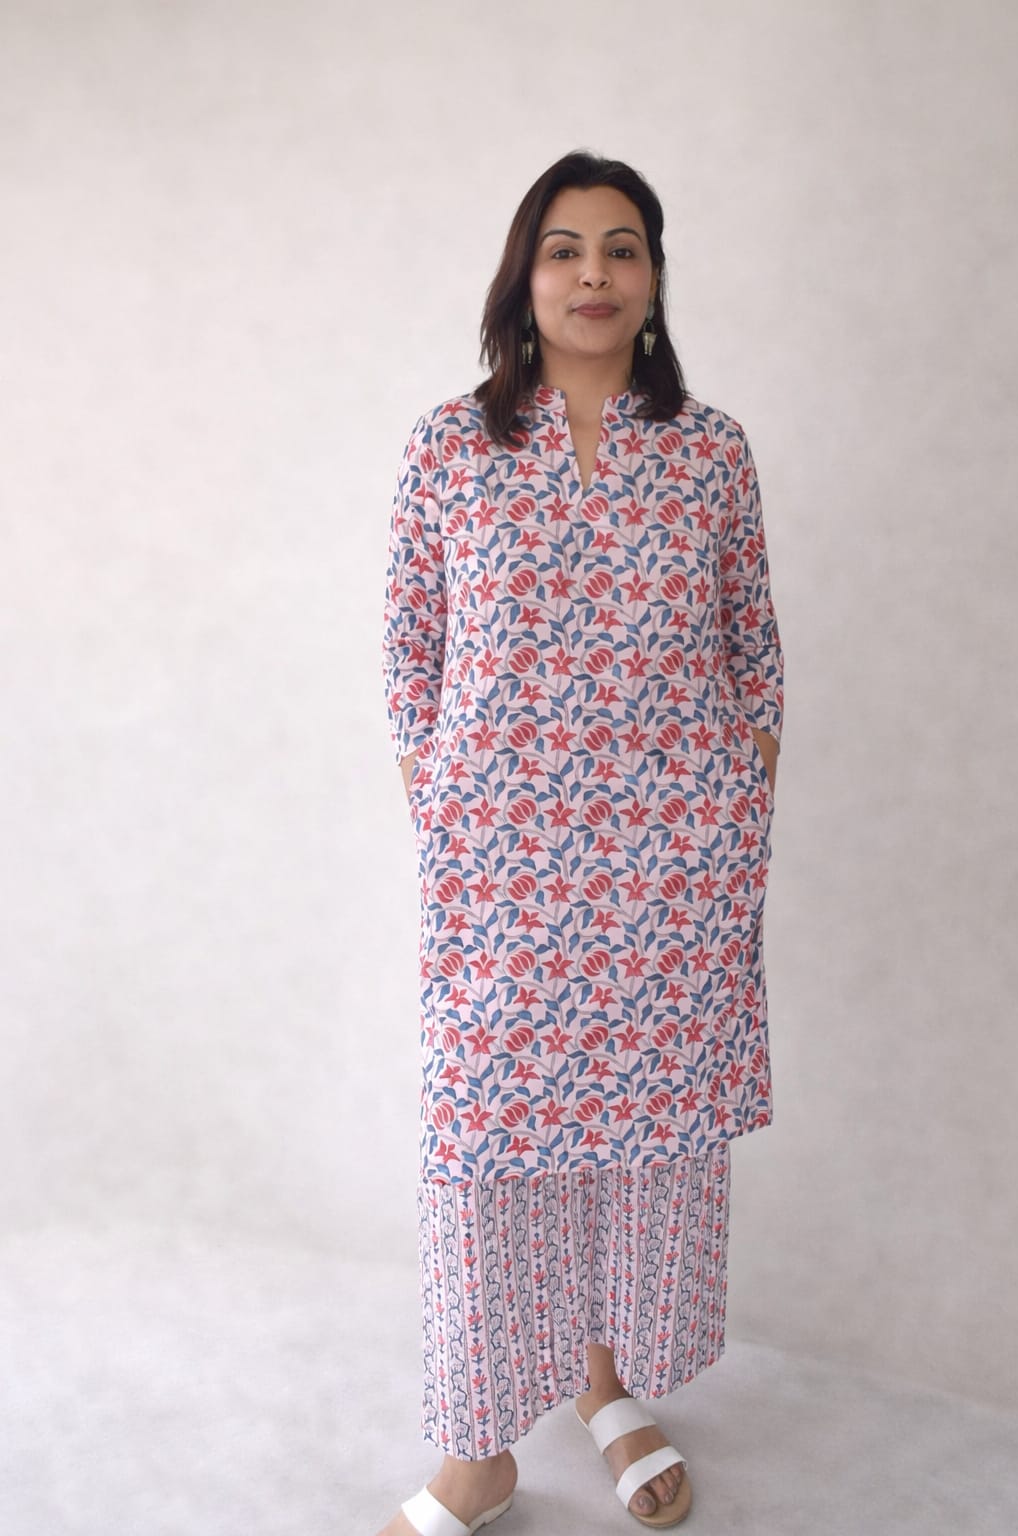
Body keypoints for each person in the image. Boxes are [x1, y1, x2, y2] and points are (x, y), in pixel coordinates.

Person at [379, 149, 783, 1535]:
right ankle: (478, 1447)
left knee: (640, 1138)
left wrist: (740, 801)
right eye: (565, 248)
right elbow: (411, 651)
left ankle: (610, 1387)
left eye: (622, 248)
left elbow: (752, 646)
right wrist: (450, 804)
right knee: (488, 1142)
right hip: (501, 874)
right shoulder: (451, 446)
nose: (594, 274)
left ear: (655, 278)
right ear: (525, 276)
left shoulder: (711, 451)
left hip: (677, 872)